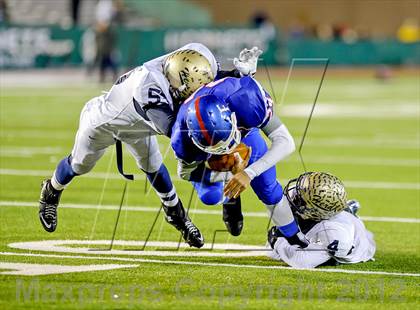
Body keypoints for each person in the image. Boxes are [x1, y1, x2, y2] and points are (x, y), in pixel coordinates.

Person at [38, 43, 262, 249]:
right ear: (179, 84)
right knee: (79, 165)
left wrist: (239, 75)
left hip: (140, 125)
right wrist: (225, 151)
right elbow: (179, 134)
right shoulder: (150, 89)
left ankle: (177, 215)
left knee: (153, 166)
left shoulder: (188, 62)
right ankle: (51, 190)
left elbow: (208, 81)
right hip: (105, 123)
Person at [171, 76, 308, 247]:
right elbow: (185, 173)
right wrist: (229, 173)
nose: (228, 150)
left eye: (227, 143)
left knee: (267, 187)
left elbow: (286, 142)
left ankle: (294, 236)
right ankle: (230, 199)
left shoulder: (245, 99)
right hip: (209, 159)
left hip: (246, 135)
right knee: (210, 196)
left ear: (232, 118)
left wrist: (249, 173)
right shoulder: (182, 139)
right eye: (219, 149)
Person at [267, 172, 376, 268]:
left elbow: (301, 261)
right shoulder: (320, 213)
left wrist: (278, 243)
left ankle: (348, 214)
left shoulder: (334, 233)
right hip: (332, 219)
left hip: (349, 245)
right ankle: (348, 210)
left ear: (315, 212)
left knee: (289, 242)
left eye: (301, 198)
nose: (295, 195)